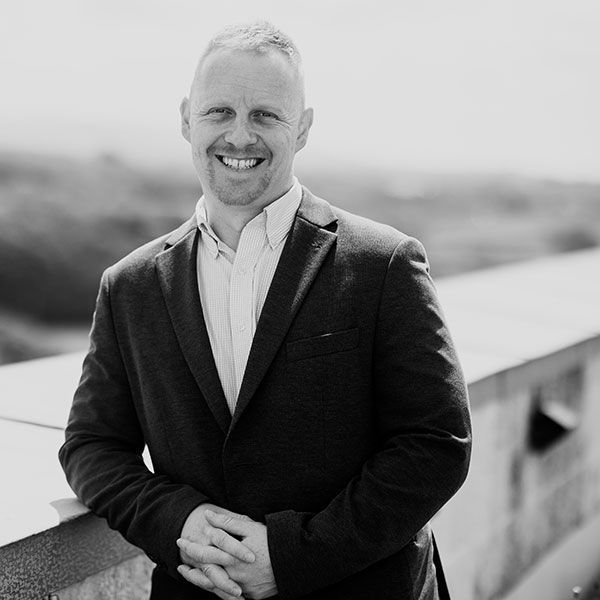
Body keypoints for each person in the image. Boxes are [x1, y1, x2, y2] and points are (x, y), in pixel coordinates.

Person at [59, 21, 471, 600]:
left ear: (302, 128)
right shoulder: (130, 285)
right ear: (186, 119)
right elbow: (90, 446)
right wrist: (175, 520)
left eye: (266, 116)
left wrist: (293, 556)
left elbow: (436, 443)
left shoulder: (384, 263)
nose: (240, 135)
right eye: (219, 112)